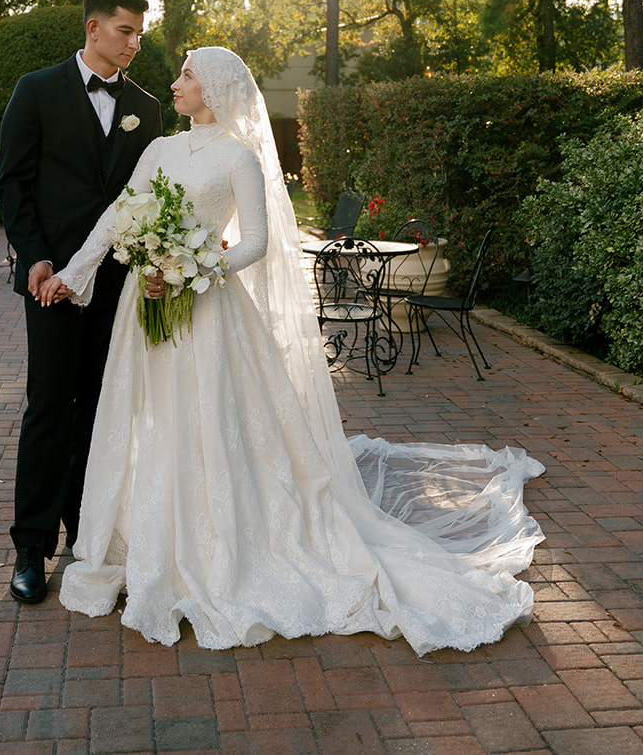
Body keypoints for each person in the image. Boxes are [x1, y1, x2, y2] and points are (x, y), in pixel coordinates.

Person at [37, 46, 545, 654]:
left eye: (186, 75)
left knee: (208, 418)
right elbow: (118, 217)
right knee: (151, 416)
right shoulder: (158, 150)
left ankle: (220, 543)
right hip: (144, 309)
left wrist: (190, 269)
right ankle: (148, 539)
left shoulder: (238, 158)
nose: (174, 84)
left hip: (206, 307)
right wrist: (73, 273)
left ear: (213, 88)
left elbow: (255, 242)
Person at [0, 0, 164, 604]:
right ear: (93, 27)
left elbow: (152, 199)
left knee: (100, 410)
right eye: (125, 31)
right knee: (48, 407)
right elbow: (14, 183)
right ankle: (31, 547)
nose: (134, 43)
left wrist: (156, 263)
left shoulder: (147, 108)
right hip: (54, 283)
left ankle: (88, 535)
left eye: (139, 34)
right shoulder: (36, 90)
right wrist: (36, 258)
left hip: (120, 284)